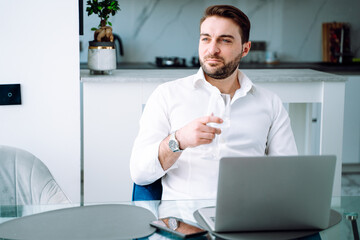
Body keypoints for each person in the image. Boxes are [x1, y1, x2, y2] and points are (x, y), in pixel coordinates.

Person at [130, 5, 297, 201]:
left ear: (245, 49)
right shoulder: (166, 95)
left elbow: (288, 175)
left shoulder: (270, 103)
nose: (212, 49)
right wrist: (179, 140)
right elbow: (140, 174)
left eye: (225, 40)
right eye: (205, 39)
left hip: (249, 219)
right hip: (184, 220)